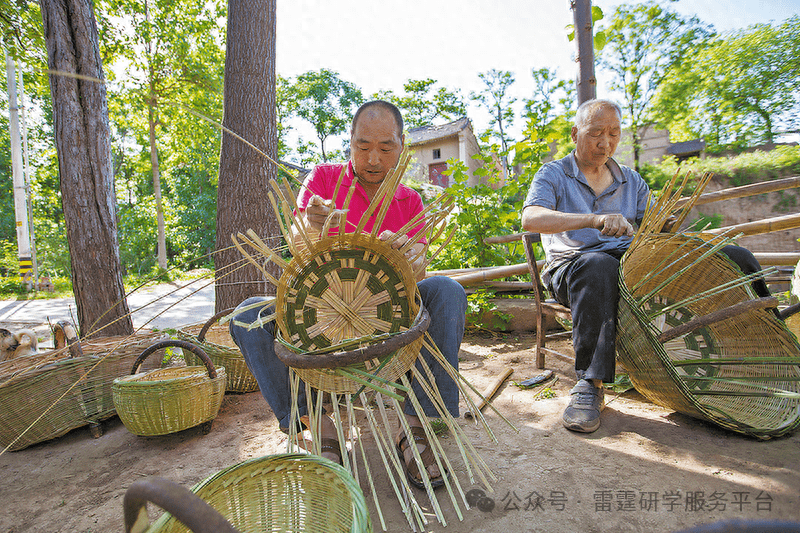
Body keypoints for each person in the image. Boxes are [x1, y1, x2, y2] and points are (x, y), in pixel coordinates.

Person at [229, 100, 466, 489]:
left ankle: (416, 431)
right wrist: (311, 225)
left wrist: (405, 253)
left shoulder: (410, 200)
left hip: (389, 320)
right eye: (363, 146)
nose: (373, 158)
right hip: (322, 317)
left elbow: (420, 265)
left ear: (402, 146)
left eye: (386, 148)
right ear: (350, 143)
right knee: (246, 316)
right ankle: (318, 430)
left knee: (447, 290)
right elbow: (295, 243)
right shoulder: (323, 179)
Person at [521, 98, 772, 433]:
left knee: (734, 255)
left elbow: (654, 224)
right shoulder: (553, 174)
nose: (605, 142)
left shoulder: (631, 181)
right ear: (575, 133)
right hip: (574, 268)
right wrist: (595, 220)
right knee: (598, 265)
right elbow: (531, 217)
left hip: (632, 266)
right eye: (596, 133)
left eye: (613, 133)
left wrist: (665, 224)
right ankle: (590, 385)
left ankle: (767, 351)